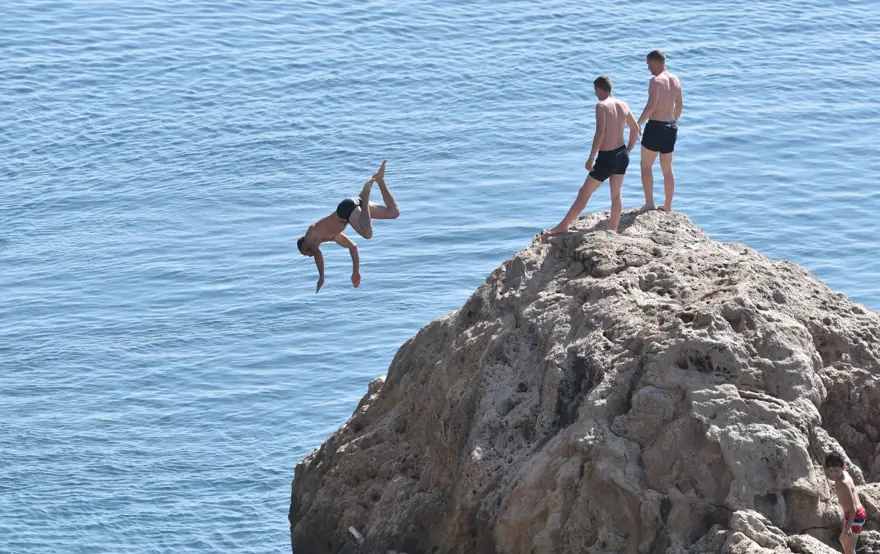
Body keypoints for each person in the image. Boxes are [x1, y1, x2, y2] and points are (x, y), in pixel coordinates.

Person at [542, 76, 640, 236]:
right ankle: (613, 231)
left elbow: (600, 132)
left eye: (596, 91)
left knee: (584, 193)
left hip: (606, 158)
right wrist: (628, 150)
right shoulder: (623, 104)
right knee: (616, 195)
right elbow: (635, 129)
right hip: (622, 155)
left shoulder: (601, 106)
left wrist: (591, 156)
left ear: (601, 89)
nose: (595, 94)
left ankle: (563, 226)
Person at [297, 160, 400, 293]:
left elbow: (317, 254)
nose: (310, 255)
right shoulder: (332, 236)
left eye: (307, 254)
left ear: (303, 246)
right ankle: (380, 181)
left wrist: (321, 278)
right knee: (393, 212)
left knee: (367, 234)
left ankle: (365, 196)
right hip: (353, 205)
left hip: (346, 210)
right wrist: (355, 271)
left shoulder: (309, 238)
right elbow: (353, 247)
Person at [637, 49, 683, 212]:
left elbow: (651, 106)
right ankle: (668, 205)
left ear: (655, 62)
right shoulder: (675, 79)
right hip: (671, 127)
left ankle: (649, 203)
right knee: (667, 168)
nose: (648, 68)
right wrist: (673, 122)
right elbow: (679, 105)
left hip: (655, 127)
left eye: (649, 64)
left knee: (646, 166)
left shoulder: (656, 81)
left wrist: (638, 123)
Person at [826, 453, 867, 554]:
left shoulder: (842, 483)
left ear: (843, 467)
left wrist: (848, 527)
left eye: (836, 470)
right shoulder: (845, 474)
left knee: (850, 548)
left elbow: (853, 508)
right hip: (852, 514)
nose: (834, 474)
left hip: (855, 515)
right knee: (842, 539)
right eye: (831, 471)